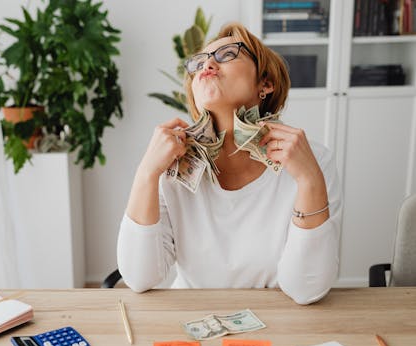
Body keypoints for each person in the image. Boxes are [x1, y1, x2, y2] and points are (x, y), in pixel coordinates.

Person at [117, 22, 342, 305]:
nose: (207, 63)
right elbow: (140, 278)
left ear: (266, 84)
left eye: (227, 54)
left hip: (277, 320)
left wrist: (310, 181)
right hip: (189, 317)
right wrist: (146, 173)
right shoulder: (169, 164)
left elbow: (306, 290)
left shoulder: (314, 161)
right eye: (199, 61)